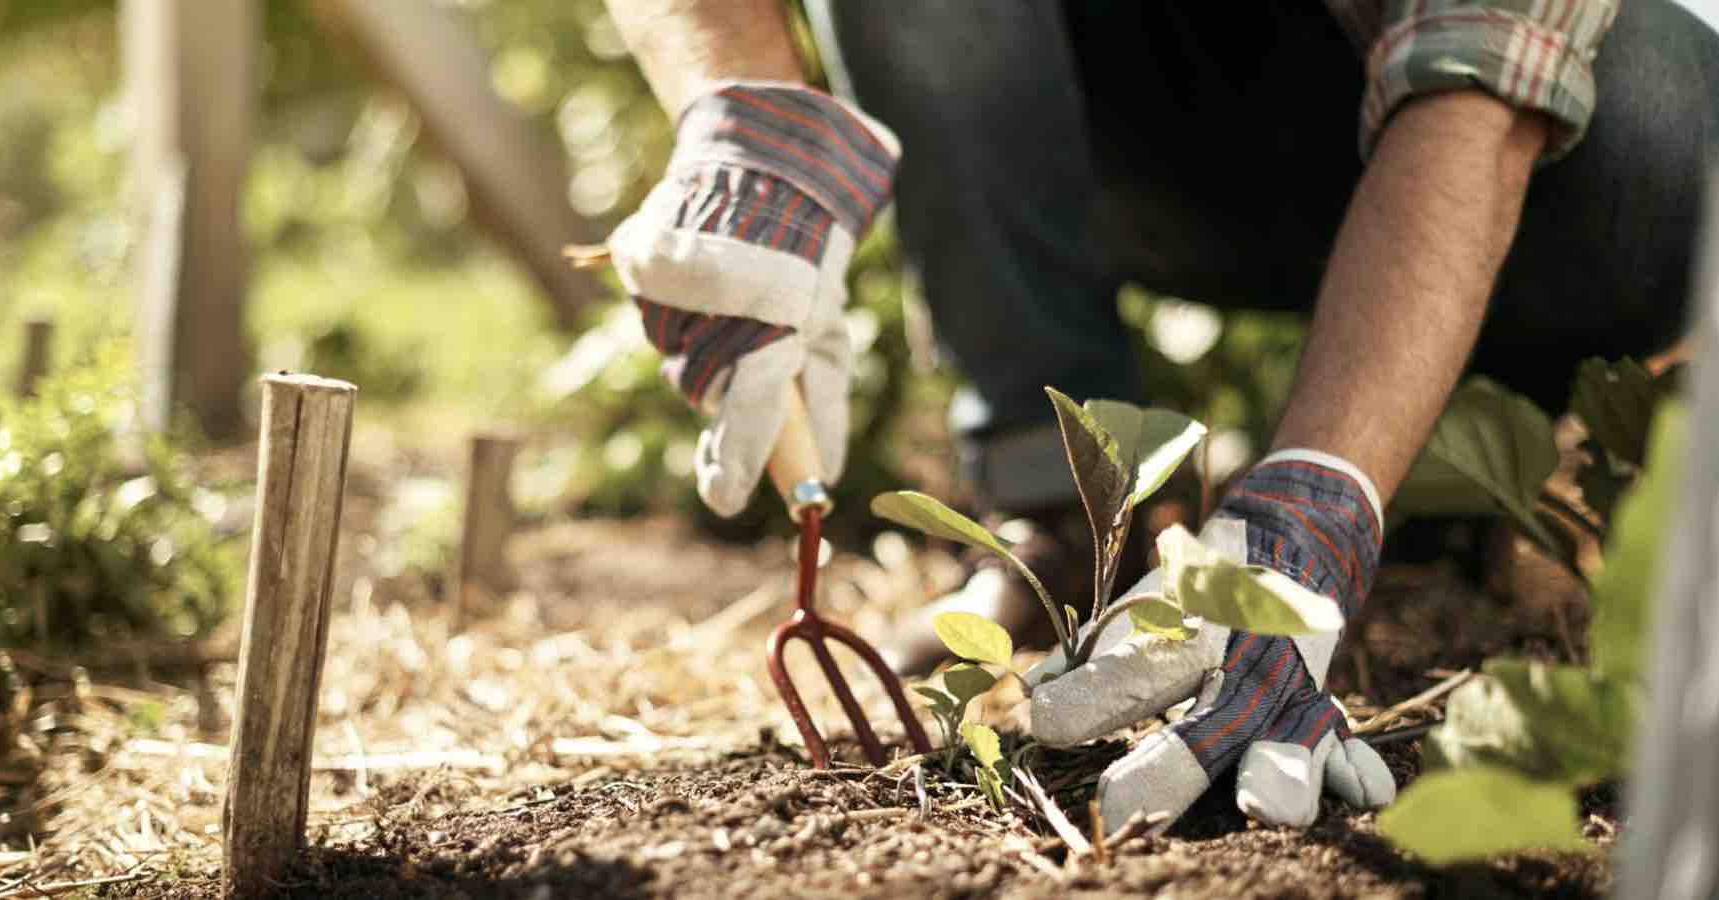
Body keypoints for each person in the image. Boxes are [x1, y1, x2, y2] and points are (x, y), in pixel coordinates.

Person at [599, 0, 1718, 834]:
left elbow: (1485, 76)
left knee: (1669, 134)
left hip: (1457, 108)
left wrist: (1313, 507)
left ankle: (1445, 453)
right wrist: (737, 109)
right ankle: (1064, 505)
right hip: (1103, 131)